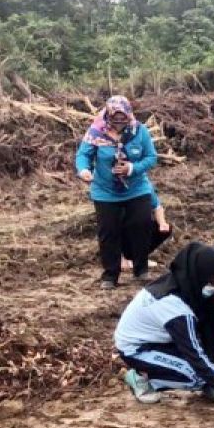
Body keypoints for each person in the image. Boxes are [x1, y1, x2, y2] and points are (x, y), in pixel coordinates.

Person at [114, 242, 214, 407]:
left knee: (209, 306)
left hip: (162, 339)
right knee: (196, 375)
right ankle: (141, 377)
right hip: (138, 349)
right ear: (198, 277)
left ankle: (213, 382)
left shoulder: (184, 282)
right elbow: (195, 354)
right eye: (212, 281)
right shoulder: (173, 307)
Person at [76, 95, 159, 289]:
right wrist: (84, 170)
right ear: (108, 116)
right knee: (108, 231)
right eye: (115, 120)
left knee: (141, 224)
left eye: (123, 120)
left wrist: (132, 168)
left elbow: (151, 157)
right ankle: (110, 275)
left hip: (136, 188)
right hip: (105, 190)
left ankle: (141, 269)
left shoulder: (140, 131)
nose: (119, 124)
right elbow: (83, 155)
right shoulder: (95, 131)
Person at [121, 186, 173, 271]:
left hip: (139, 221)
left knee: (163, 229)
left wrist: (162, 223)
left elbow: (157, 207)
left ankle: (140, 258)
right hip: (121, 222)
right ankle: (121, 258)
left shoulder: (144, 185)